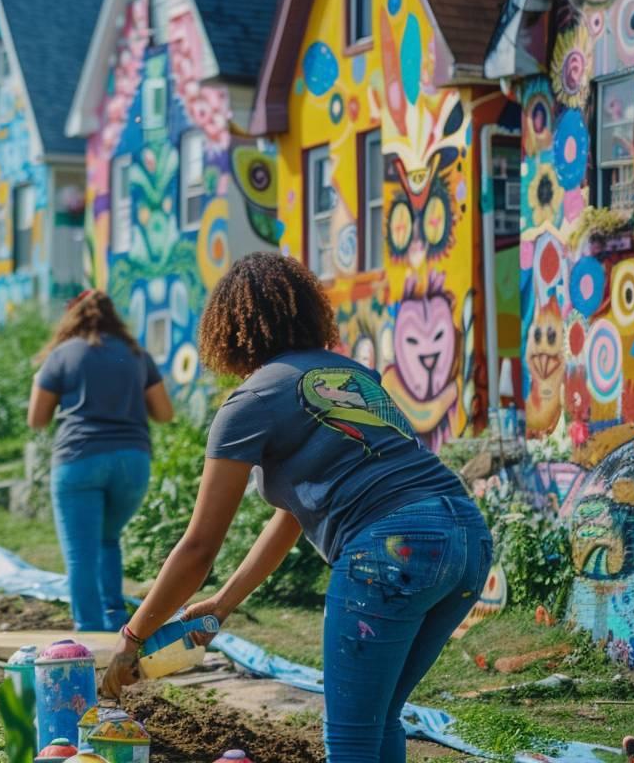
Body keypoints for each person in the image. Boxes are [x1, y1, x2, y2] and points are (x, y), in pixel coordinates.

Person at [99, 254, 490, 763]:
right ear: (307, 310)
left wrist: (133, 636)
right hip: (466, 538)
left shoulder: (249, 403)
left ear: (230, 330)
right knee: (380, 718)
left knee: (350, 739)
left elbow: (198, 547)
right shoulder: (352, 374)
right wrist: (224, 604)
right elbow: (291, 516)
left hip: (391, 552)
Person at [27, 289, 173, 631]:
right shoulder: (137, 355)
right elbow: (164, 413)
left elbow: (36, 418)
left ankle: (90, 629)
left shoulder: (63, 355)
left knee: (80, 554)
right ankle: (116, 618)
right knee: (109, 538)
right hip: (132, 462)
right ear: (113, 317)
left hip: (79, 459)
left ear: (72, 318)